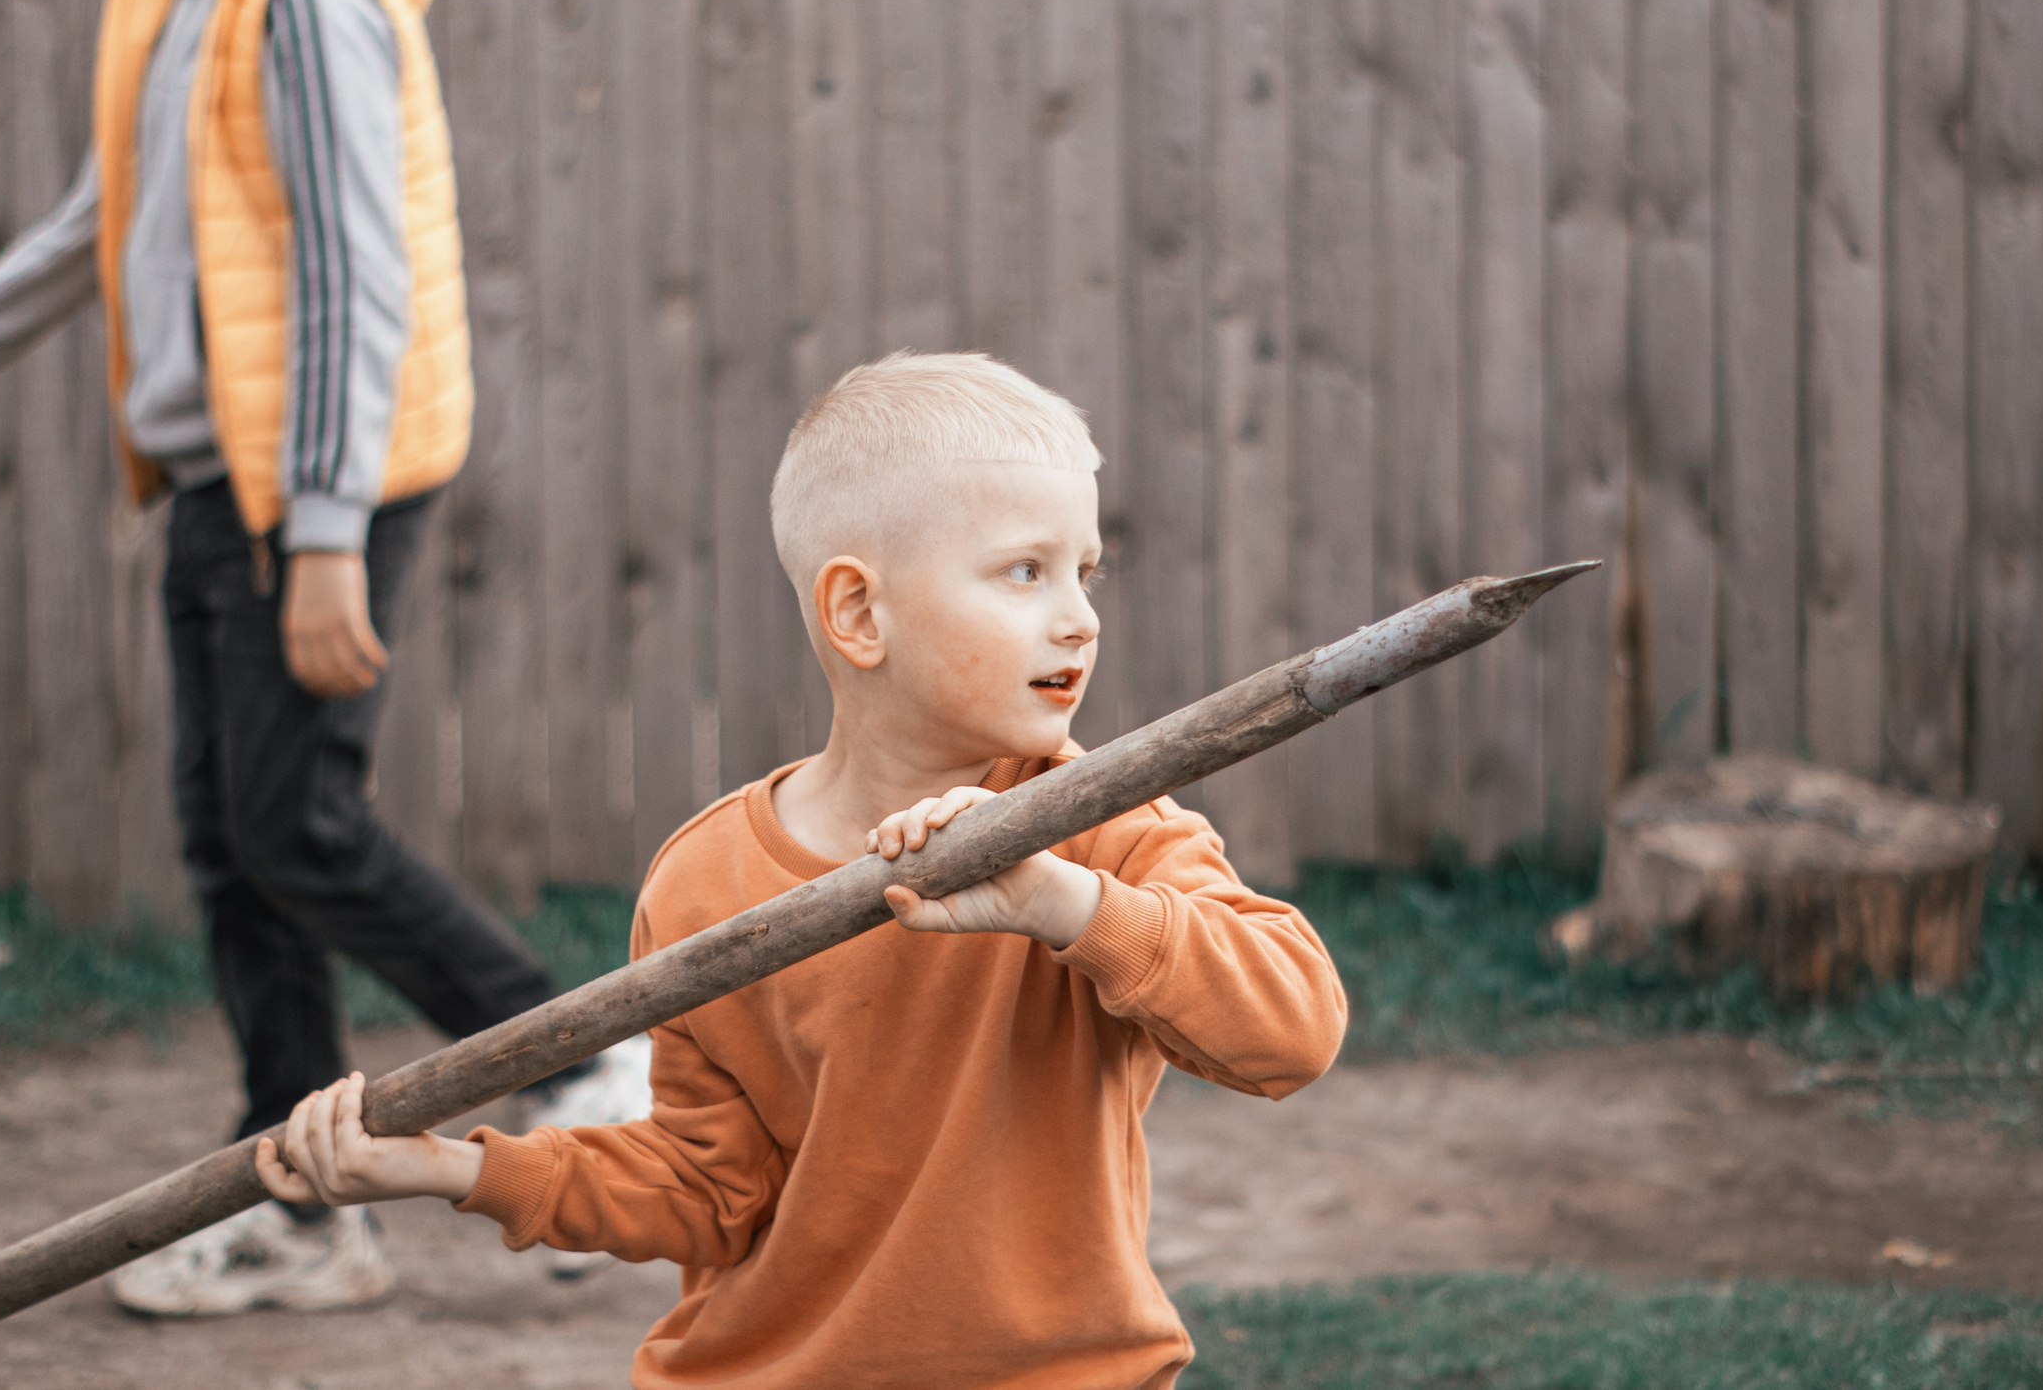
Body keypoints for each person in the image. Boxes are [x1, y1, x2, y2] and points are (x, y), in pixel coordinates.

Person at [0, 0, 633, 1316]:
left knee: (294, 824)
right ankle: (306, 1201)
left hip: (310, 485)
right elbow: (100, 219)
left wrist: (322, 534)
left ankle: (585, 1061)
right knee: (233, 841)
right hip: (219, 477)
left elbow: (352, 278)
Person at [260, 351, 1351, 1389]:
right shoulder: (706, 880)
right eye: (1026, 571)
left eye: (1085, 571)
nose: (1079, 617)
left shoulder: (1103, 830)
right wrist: (452, 1168)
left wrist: (1063, 903)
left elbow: (1293, 1031)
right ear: (859, 611)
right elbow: (706, 1189)